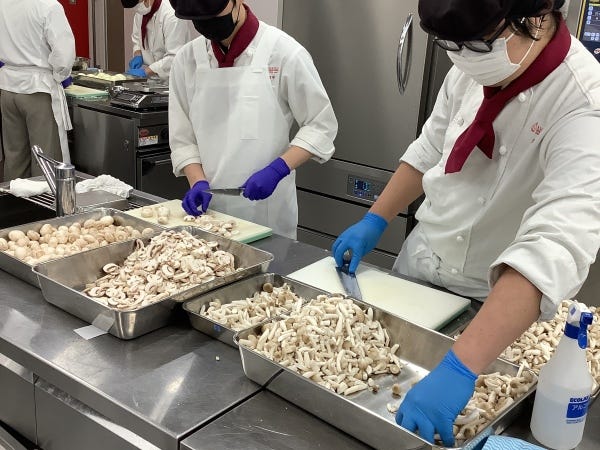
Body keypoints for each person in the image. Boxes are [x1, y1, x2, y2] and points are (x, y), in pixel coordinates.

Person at [332, 0, 600, 446]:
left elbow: (557, 241)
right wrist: (374, 218)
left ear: (535, 16)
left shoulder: (584, 102)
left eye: (477, 44)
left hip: (493, 307)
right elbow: (429, 148)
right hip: (421, 265)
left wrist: (461, 367)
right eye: (450, 45)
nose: (462, 57)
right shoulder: (472, 64)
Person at [168, 0, 338, 239]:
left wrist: (278, 169)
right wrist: (197, 181)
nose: (207, 24)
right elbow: (182, 138)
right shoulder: (187, 60)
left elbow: (320, 125)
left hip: (268, 214)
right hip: (209, 215)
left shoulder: (284, 53)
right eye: (197, 20)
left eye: (213, 14)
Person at [0, 0, 75, 180]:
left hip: (8, 88)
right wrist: (59, 76)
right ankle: (45, 199)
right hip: (38, 90)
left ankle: (14, 198)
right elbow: (64, 56)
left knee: (15, 158)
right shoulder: (48, 6)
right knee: (45, 159)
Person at [121, 0, 192, 79]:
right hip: (155, 78)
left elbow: (174, 56)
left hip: (176, 76)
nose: (139, 8)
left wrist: (146, 71)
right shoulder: (140, 13)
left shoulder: (172, 15)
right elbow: (137, 38)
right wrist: (138, 54)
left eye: (140, 3)